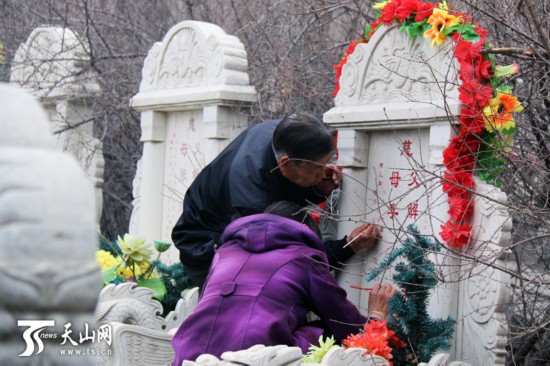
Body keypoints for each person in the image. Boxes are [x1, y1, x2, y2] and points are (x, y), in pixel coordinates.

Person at [171, 201, 397, 364]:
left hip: (188, 354)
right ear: (307, 231)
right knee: (325, 332)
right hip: (255, 357)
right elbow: (347, 326)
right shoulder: (305, 257)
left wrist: (349, 245)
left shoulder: (225, 251)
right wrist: (376, 316)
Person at [172, 113, 378, 288]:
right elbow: (293, 261)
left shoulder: (286, 135)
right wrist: (347, 247)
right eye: (316, 168)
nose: (324, 172)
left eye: (325, 163)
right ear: (285, 163)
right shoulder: (252, 203)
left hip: (235, 230)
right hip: (206, 252)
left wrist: (317, 188)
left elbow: (280, 185)